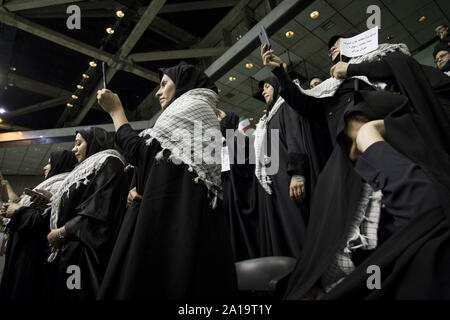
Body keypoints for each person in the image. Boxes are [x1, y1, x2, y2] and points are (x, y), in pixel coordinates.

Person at [97, 64, 237, 300]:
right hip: (184, 219)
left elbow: (139, 151)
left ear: (182, 84)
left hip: (172, 223)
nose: (158, 92)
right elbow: (161, 166)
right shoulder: (199, 110)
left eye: (164, 84)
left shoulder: (191, 108)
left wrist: (116, 111)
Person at [44, 127, 127, 300]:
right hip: (71, 250)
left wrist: (61, 232)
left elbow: (99, 211)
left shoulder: (109, 162)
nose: (74, 149)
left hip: (86, 255)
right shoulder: (86, 169)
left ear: (95, 143)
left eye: (79, 143)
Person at [254, 76, 327, 259]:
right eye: (263, 89)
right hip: (277, 185)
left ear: (278, 87)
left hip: (290, 181)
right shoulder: (267, 120)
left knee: (300, 229)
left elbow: (295, 138)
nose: (264, 91)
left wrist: (298, 174)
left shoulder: (286, 106)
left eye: (267, 86)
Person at [0, 150, 77, 300]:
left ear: (59, 164)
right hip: (23, 252)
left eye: (49, 163)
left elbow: (45, 220)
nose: (45, 167)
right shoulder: (51, 185)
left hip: (32, 256)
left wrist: (18, 211)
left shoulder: (61, 187)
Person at [219, 109, 259, 261]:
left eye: (222, 118)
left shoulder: (243, 139)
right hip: (227, 194)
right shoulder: (220, 142)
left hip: (242, 195)